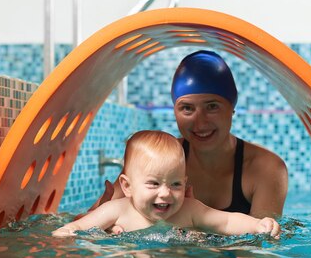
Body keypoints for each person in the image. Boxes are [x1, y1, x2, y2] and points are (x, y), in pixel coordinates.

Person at [91, 50, 288, 219]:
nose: (200, 122)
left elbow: (263, 250)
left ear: (232, 108)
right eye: (187, 108)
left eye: (212, 107)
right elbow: (87, 222)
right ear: (175, 112)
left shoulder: (265, 169)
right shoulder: (156, 159)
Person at [52, 130, 280, 238]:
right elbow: (82, 226)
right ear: (127, 186)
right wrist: (68, 230)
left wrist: (257, 225)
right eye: (153, 184)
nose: (166, 193)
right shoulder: (117, 211)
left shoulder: (190, 210)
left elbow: (226, 220)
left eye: (176, 184)